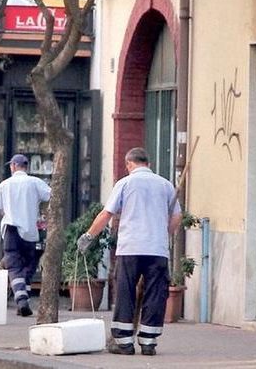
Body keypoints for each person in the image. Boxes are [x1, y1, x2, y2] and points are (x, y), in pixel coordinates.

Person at [77, 147, 181, 356]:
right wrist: (164, 234)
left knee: (125, 292)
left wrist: (88, 236)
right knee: (155, 294)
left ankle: (124, 342)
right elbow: (177, 216)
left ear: (129, 164)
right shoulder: (166, 185)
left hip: (130, 248)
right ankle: (149, 342)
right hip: (157, 249)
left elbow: (107, 213)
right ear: (148, 164)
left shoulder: (125, 183)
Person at [0, 154, 51, 317]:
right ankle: (23, 300)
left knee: (14, 264)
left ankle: (21, 300)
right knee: (28, 264)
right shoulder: (35, 182)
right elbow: (51, 196)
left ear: (13, 166)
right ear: (26, 166)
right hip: (30, 230)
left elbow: (0, 208)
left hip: (11, 229)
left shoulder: (4, 185)